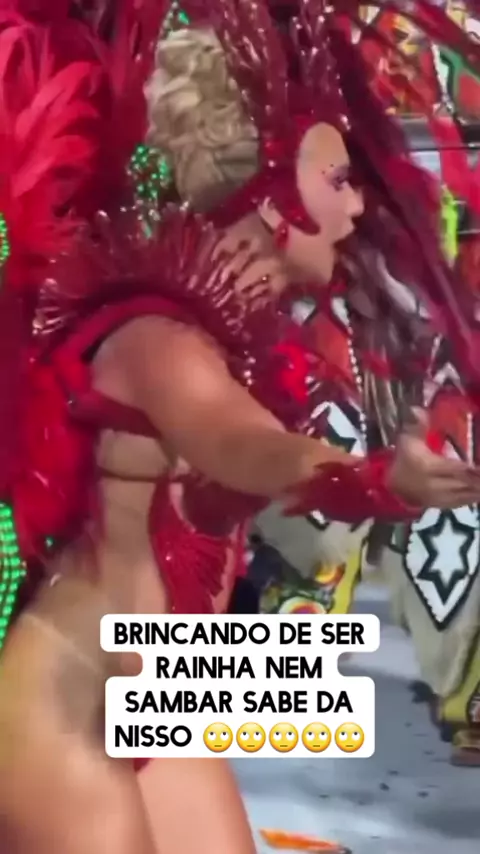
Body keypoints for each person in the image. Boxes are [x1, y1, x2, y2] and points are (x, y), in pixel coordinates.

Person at [3, 1, 480, 853]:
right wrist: (375, 480)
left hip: (164, 697)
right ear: (271, 195)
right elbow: (242, 446)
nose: (358, 207)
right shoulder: (157, 336)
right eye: (337, 180)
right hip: (68, 702)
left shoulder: (229, 346)